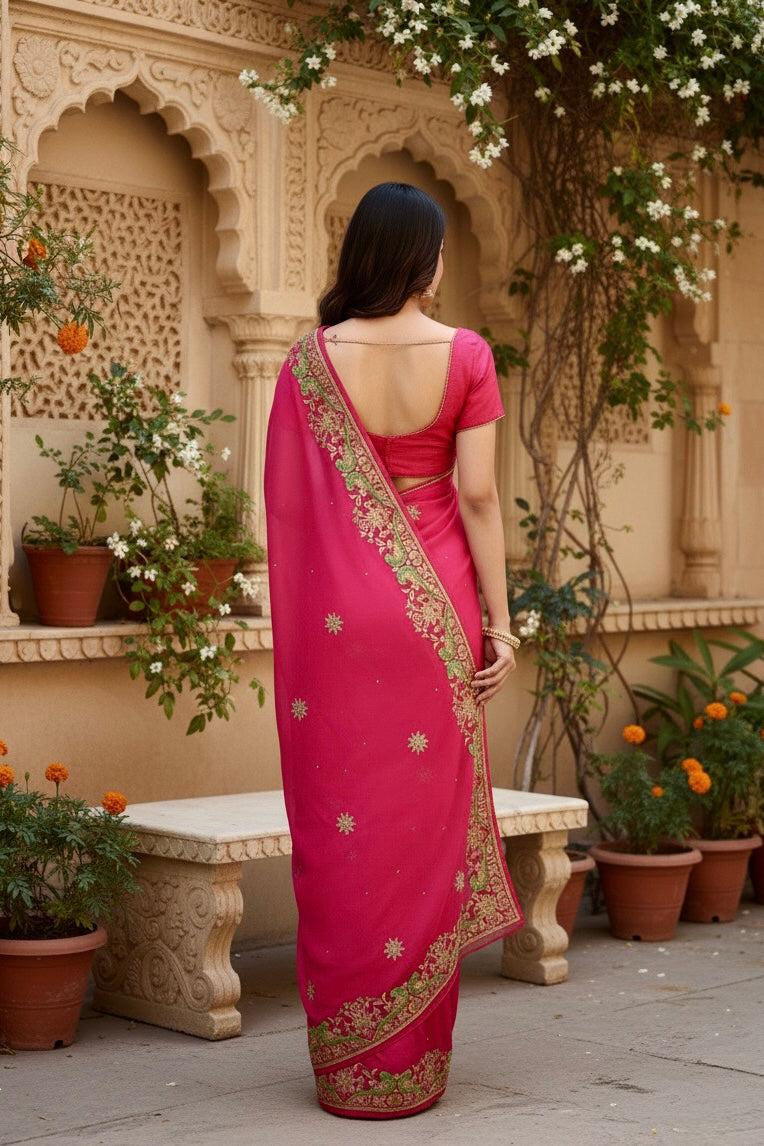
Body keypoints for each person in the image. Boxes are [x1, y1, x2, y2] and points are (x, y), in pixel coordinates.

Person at [264, 182, 524, 1119]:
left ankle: (347, 1065)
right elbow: (479, 497)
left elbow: (289, 512)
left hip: (339, 619)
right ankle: (410, 1064)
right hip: (434, 612)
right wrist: (501, 622)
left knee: (345, 822)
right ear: (424, 257)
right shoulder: (466, 354)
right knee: (422, 824)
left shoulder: (309, 361)